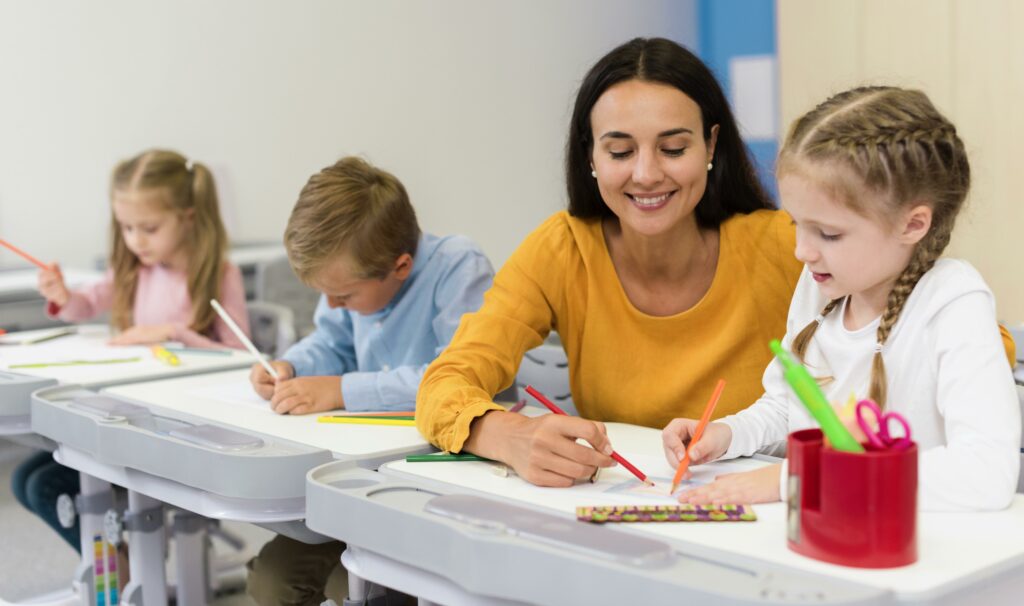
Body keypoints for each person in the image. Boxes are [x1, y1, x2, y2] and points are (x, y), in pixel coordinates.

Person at [415, 37, 804, 487]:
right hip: (621, 516)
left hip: (766, 516)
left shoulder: (789, 243)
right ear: (591, 156)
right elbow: (444, 383)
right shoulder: (562, 250)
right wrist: (510, 435)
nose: (646, 174)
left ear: (711, 145)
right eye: (620, 152)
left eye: (673, 148)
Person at [663, 86, 1020, 511]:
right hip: (829, 534)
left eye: (829, 233)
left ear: (913, 224)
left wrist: (797, 480)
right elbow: (790, 412)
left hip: (922, 554)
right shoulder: (821, 283)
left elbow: (985, 474)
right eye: (797, 224)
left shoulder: (952, 301)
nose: (802, 251)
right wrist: (727, 434)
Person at [246, 156, 493, 605]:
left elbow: (460, 380)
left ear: (400, 267)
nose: (333, 305)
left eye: (343, 295)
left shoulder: (458, 267)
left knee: (354, 589)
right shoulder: (351, 285)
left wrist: (341, 390)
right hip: (359, 485)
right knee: (272, 579)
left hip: (436, 492)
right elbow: (332, 341)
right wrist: (292, 367)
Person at [13, 148, 249, 554]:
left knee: (48, 484)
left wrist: (174, 332)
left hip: (174, 425)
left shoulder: (219, 273)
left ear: (188, 216)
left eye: (149, 228)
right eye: (126, 227)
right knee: (26, 481)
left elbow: (239, 353)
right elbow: (85, 305)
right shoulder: (132, 269)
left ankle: (120, 569)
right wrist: (63, 295)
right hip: (127, 411)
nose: (135, 240)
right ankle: (117, 567)